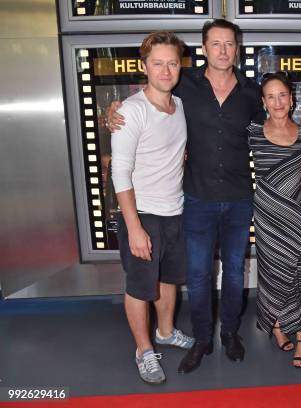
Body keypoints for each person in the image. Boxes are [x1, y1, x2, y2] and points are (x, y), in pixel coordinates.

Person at [107, 19, 265, 373]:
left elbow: (269, 131)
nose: (223, 50)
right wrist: (113, 112)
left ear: (236, 48)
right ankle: (203, 339)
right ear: (204, 48)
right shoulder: (185, 87)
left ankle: (230, 333)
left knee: (235, 273)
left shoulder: (251, 92)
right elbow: (141, 106)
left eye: (229, 44)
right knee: (196, 276)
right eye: (216, 44)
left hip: (238, 198)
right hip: (195, 199)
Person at [111, 31, 194, 384]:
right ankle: (144, 350)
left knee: (169, 280)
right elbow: (120, 172)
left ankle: (164, 331)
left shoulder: (180, 106)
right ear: (144, 66)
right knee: (140, 287)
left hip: (174, 210)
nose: (165, 70)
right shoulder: (131, 111)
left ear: (180, 66)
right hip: (142, 213)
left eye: (172, 63)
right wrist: (134, 227)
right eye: (157, 63)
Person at [248, 72, 301, 368]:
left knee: (295, 272)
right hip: (266, 216)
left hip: (297, 216)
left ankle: (292, 329)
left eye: (282, 95)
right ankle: (293, 330)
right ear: (263, 102)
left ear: (292, 99)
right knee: (274, 273)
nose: (277, 102)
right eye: (271, 96)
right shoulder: (251, 132)